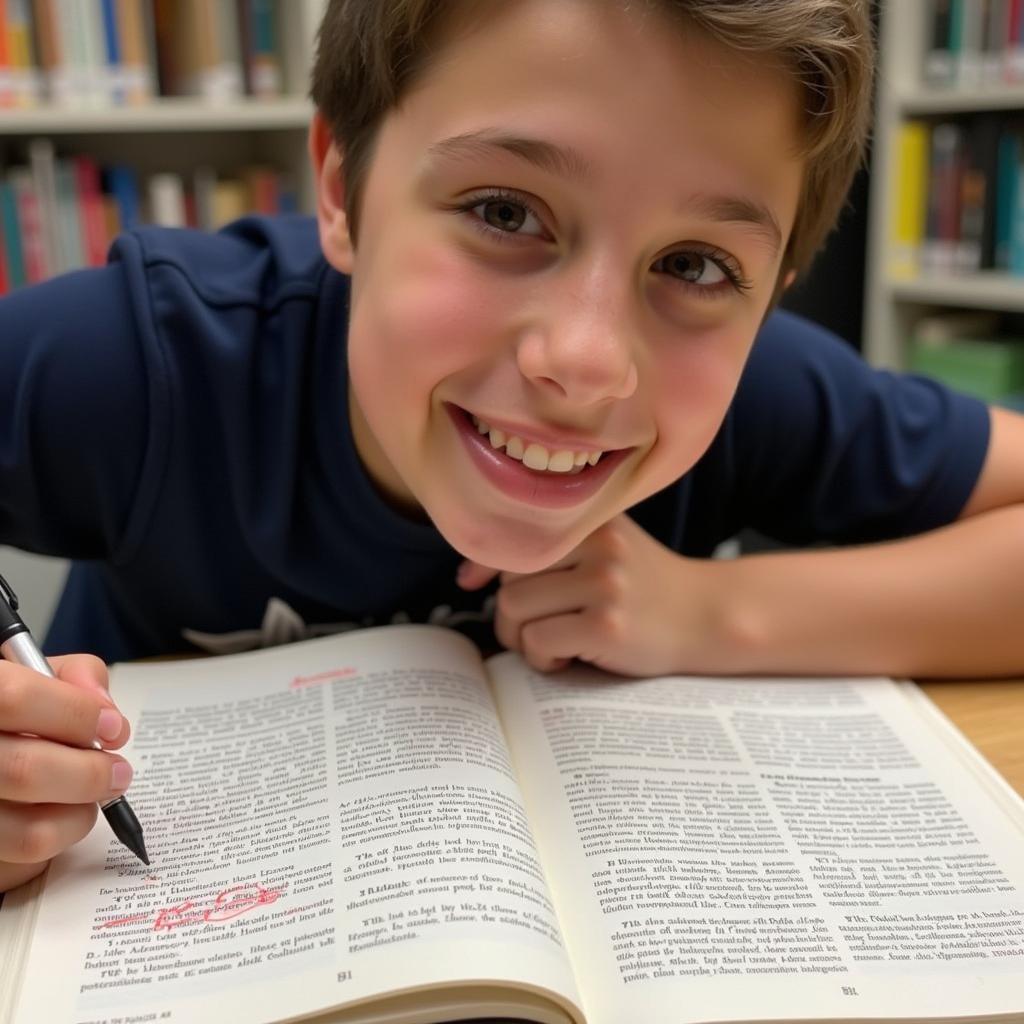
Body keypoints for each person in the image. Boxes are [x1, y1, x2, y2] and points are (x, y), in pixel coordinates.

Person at [0, 0, 1021, 894]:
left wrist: (711, 611)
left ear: (771, 294)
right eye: (503, 212)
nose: (585, 361)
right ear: (344, 194)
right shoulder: (149, 358)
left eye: (697, 264)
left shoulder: (760, 395)